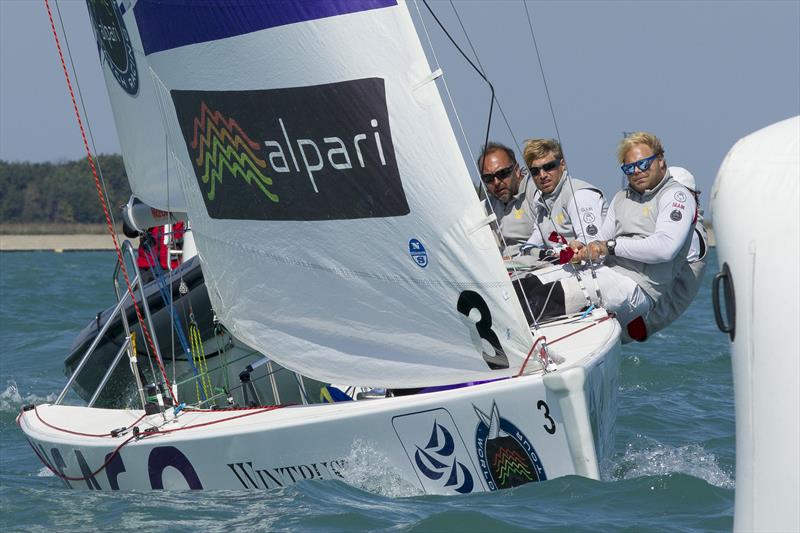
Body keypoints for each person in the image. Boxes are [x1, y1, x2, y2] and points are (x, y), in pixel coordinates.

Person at [512, 132, 695, 332]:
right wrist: (583, 248)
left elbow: (665, 248)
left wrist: (608, 247)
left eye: (644, 164)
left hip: (637, 287)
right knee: (521, 289)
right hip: (605, 272)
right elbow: (599, 241)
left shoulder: (676, 195)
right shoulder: (621, 197)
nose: (637, 171)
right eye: (629, 167)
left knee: (540, 299)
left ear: (660, 161)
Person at [622, 166, 708, 341]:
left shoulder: (690, 232)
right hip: (640, 310)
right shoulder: (679, 225)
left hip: (643, 319)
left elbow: (657, 250)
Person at [520, 138, 607, 257]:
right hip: (562, 269)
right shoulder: (541, 201)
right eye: (534, 171)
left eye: (549, 166)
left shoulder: (579, 195)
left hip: (597, 269)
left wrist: (554, 252)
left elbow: (592, 242)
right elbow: (534, 242)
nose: (542, 175)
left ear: (562, 165)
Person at [478, 142, 537, 256]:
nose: (496, 182)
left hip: (539, 266)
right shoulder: (486, 207)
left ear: (517, 170)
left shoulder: (536, 194)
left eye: (502, 173)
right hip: (506, 269)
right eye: (488, 178)